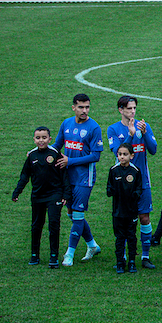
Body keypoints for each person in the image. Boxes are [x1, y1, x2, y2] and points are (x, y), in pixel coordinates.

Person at [106, 96, 158, 270]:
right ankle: (123, 258)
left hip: (142, 182)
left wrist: (143, 134)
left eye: (134, 108)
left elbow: (153, 149)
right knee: (123, 221)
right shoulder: (113, 129)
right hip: (122, 185)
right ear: (120, 110)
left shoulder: (144, 126)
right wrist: (130, 135)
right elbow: (117, 152)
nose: (133, 112)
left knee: (144, 217)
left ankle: (144, 256)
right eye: (129, 108)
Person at [53, 94, 103, 267]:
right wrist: (37, 151)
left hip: (84, 178)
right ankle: (92, 245)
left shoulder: (94, 127)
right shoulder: (66, 123)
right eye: (81, 107)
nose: (84, 110)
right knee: (71, 214)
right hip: (67, 178)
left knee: (78, 214)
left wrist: (70, 161)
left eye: (87, 107)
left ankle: (70, 253)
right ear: (73, 107)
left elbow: (95, 156)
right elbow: (56, 146)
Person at [12, 126, 71, 268]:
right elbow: (25, 176)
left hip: (54, 195)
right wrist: (17, 192)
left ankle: (53, 256)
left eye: (44, 138)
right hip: (37, 196)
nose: (41, 140)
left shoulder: (55, 153)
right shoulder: (31, 156)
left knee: (54, 224)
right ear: (34, 139)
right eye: (38, 138)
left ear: (49, 139)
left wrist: (66, 194)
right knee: (36, 225)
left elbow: (64, 175)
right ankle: (34, 255)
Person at [105, 143, 142, 274]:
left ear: (131, 156)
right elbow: (109, 187)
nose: (122, 157)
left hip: (131, 211)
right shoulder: (114, 170)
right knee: (120, 237)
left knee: (131, 236)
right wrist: (111, 191)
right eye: (120, 154)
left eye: (125, 154)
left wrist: (135, 195)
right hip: (118, 211)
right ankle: (120, 262)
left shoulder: (135, 171)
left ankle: (132, 262)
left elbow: (139, 188)